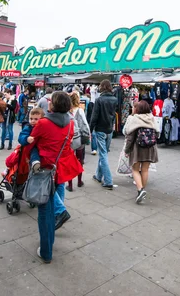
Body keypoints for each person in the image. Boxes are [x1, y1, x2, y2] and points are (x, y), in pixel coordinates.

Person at [30, 91, 83, 263]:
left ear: (53, 104)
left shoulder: (43, 123)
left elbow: (32, 142)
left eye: (50, 101)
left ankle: (46, 251)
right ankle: (50, 240)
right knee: (51, 206)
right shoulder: (70, 123)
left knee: (44, 212)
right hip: (60, 168)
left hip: (44, 169)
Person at [124, 101, 159, 203]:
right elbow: (157, 134)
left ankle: (140, 190)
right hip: (150, 148)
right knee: (145, 170)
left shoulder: (135, 119)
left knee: (135, 169)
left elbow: (130, 137)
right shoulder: (151, 118)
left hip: (137, 147)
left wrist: (127, 150)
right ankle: (142, 190)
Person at [90, 80, 118, 190]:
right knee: (104, 153)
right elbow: (113, 115)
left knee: (103, 155)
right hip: (109, 129)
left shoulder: (99, 100)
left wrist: (90, 130)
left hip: (100, 129)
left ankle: (108, 181)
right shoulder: (114, 99)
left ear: (104, 87)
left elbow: (94, 116)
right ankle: (98, 176)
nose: (99, 87)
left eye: (100, 85)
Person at [68, 92, 90, 191]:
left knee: (69, 161)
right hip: (79, 138)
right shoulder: (80, 110)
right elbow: (85, 123)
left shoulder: (67, 111)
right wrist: (88, 134)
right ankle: (79, 181)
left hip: (70, 139)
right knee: (80, 160)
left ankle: (70, 185)